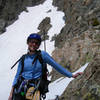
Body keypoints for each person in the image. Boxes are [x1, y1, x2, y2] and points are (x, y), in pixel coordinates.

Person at [8, 33, 82, 100]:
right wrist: (11, 94)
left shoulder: (42, 55)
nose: (33, 44)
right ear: (28, 43)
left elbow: (56, 66)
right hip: (21, 89)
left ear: (38, 45)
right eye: (31, 42)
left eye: (36, 43)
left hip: (35, 89)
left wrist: (71, 75)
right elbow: (17, 76)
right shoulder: (23, 58)